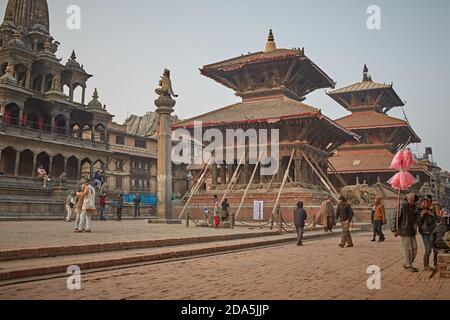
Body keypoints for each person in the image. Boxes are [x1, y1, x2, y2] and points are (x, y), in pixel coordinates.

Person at [395, 193, 419, 272]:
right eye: (410, 197)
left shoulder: (414, 207)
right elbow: (395, 218)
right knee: (407, 248)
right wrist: (394, 230)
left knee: (415, 248)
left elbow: (416, 218)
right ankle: (408, 265)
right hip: (404, 230)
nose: (411, 199)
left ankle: (407, 263)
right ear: (407, 198)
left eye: (413, 198)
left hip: (412, 231)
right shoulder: (402, 206)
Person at [417, 198, 439, 271]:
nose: (425, 204)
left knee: (436, 250)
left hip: (433, 232)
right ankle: (426, 265)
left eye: (427, 202)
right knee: (428, 249)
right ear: (421, 204)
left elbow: (438, 221)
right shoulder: (418, 211)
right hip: (424, 233)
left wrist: (433, 215)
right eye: (423, 202)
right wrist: (421, 215)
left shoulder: (432, 211)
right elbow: (418, 223)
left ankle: (436, 264)